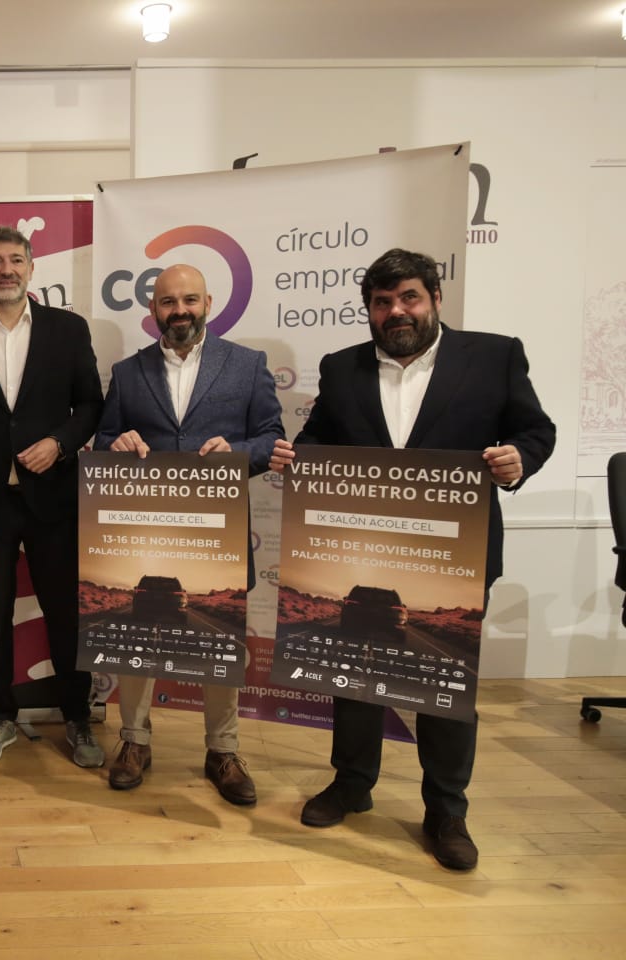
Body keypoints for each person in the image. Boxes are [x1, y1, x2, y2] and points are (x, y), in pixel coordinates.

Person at [270, 247, 555, 870]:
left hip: (453, 553)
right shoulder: (342, 367)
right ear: (369, 309)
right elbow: (318, 436)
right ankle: (352, 783)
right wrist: (301, 456)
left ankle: (446, 808)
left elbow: (536, 430)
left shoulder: (494, 354)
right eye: (381, 302)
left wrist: (520, 460)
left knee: (444, 683)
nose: (395, 311)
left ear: (434, 299)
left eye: (408, 298)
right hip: (360, 557)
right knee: (352, 670)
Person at [93, 263, 283, 805]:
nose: (180, 310)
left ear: (209, 303)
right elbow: (105, 438)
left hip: (217, 531)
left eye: (190, 300)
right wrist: (117, 444)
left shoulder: (247, 366)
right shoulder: (128, 373)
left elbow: (273, 436)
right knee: (140, 637)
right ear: (153, 311)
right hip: (145, 533)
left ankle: (223, 749)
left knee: (219, 638)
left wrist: (240, 453)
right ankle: (134, 740)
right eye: (169, 302)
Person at [0, 225, 106, 768]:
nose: (5, 269)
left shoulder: (68, 329)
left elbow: (92, 408)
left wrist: (59, 444)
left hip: (53, 494)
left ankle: (76, 717)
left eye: (15, 259)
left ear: (32, 269)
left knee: (65, 613)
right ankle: (0, 715)